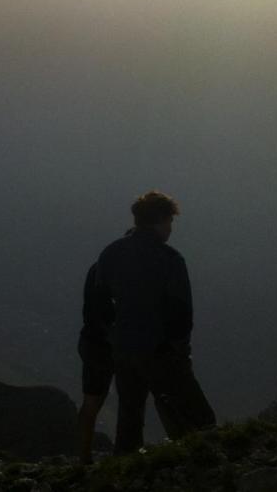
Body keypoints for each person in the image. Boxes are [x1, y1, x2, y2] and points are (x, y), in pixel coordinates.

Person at [85, 190, 215, 454]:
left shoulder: (111, 253)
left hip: (123, 348)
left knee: (130, 416)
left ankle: (124, 470)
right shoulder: (170, 259)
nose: (170, 228)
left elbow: (99, 303)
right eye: (169, 222)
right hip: (160, 350)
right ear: (159, 220)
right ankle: (198, 465)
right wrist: (177, 348)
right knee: (198, 417)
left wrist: (114, 334)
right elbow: (181, 312)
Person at [77, 260, 114, 463]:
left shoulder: (100, 267)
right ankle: (128, 452)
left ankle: (84, 457)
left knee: (91, 401)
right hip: (107, 345)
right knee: (132, 400)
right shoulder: (126, 269)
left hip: (92, 341)